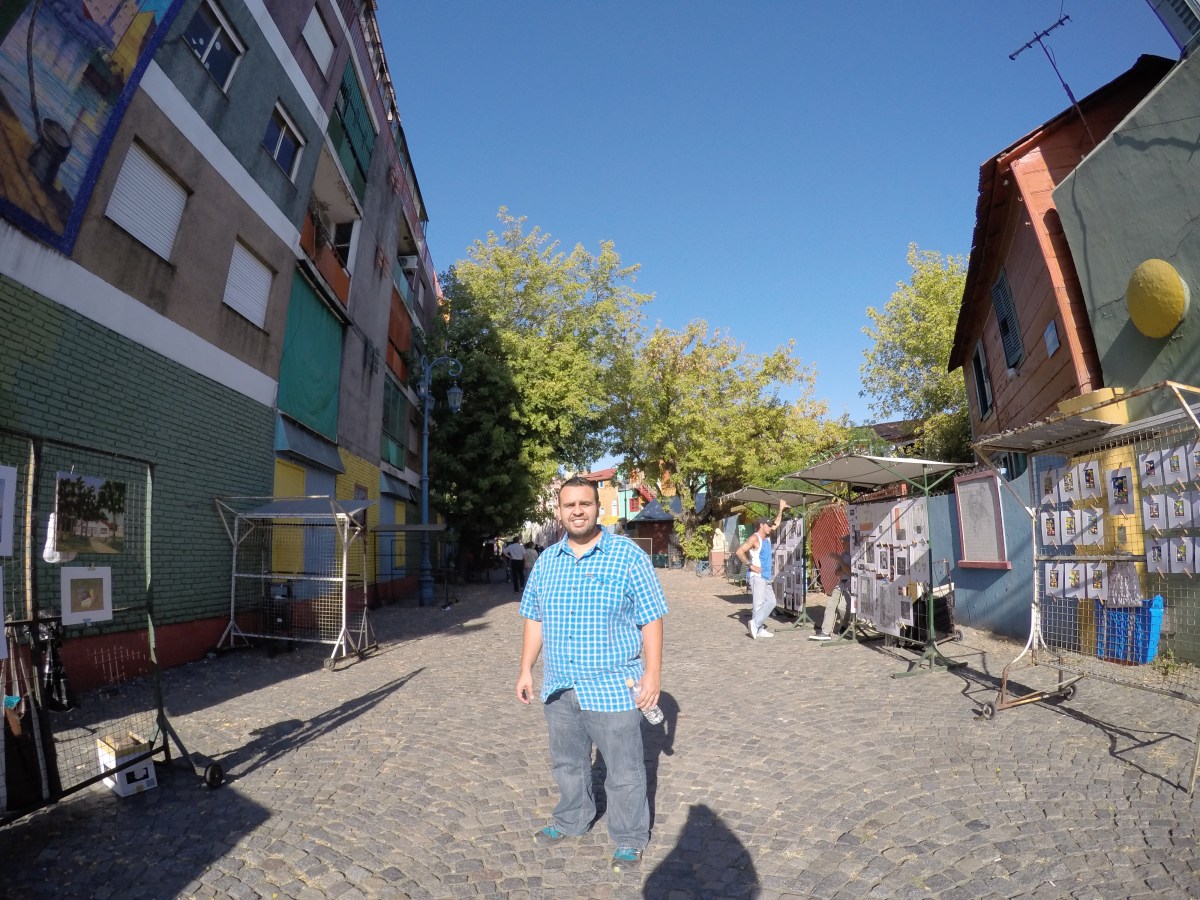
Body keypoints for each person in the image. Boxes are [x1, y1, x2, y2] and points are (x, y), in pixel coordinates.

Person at [515, 475, 667, 873]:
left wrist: (653, 674)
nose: (577, 511)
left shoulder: (628, 556)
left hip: (613, 686)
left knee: (624, 769)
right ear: (559, 511)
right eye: (570, 505)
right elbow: (534, 618)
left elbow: (651, 617)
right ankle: (572, 818)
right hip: (560, 685)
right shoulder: (547, 561)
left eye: (585, 503)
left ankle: (629, 837)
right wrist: (526, 669)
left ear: (598, 508)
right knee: (567, 763)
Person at [735, 500, 787, 639]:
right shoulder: (754, 538)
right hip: (757, 577)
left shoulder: (767, 537)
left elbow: (777, 523)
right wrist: (751, 565)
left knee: (772, 602)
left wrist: (780, 509)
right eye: (768, 525)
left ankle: (757, 625)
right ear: (761, 525)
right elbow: (739, 552)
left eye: (770, 525)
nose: (770, 527)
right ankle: (757, 627)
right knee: (758, 604)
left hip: (766, 576)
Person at [810, 534, 853, 640]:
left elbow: (850, 572)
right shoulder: (843, 554)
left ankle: (844, 626)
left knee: (842, 607)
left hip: (850, 584)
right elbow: (837, 572)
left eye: (844, 542)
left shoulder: (853, 555)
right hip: (841, 583)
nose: (842, 544)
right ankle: (826, 631)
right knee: (830, 605)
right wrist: (844, 567)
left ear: (849, 543)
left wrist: (841, 562)